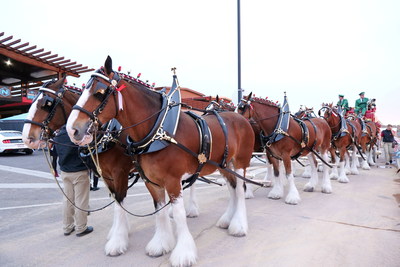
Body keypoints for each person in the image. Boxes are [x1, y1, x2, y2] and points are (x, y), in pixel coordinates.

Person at [53, 125, 93, 236]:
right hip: (79, 171)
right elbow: (86, 152)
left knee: (67, 200)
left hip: (65, 171)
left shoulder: (58, 136)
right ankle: (81, 228)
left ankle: (67, 227)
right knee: (81, 201)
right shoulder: (77, 134)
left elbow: (55, 154)